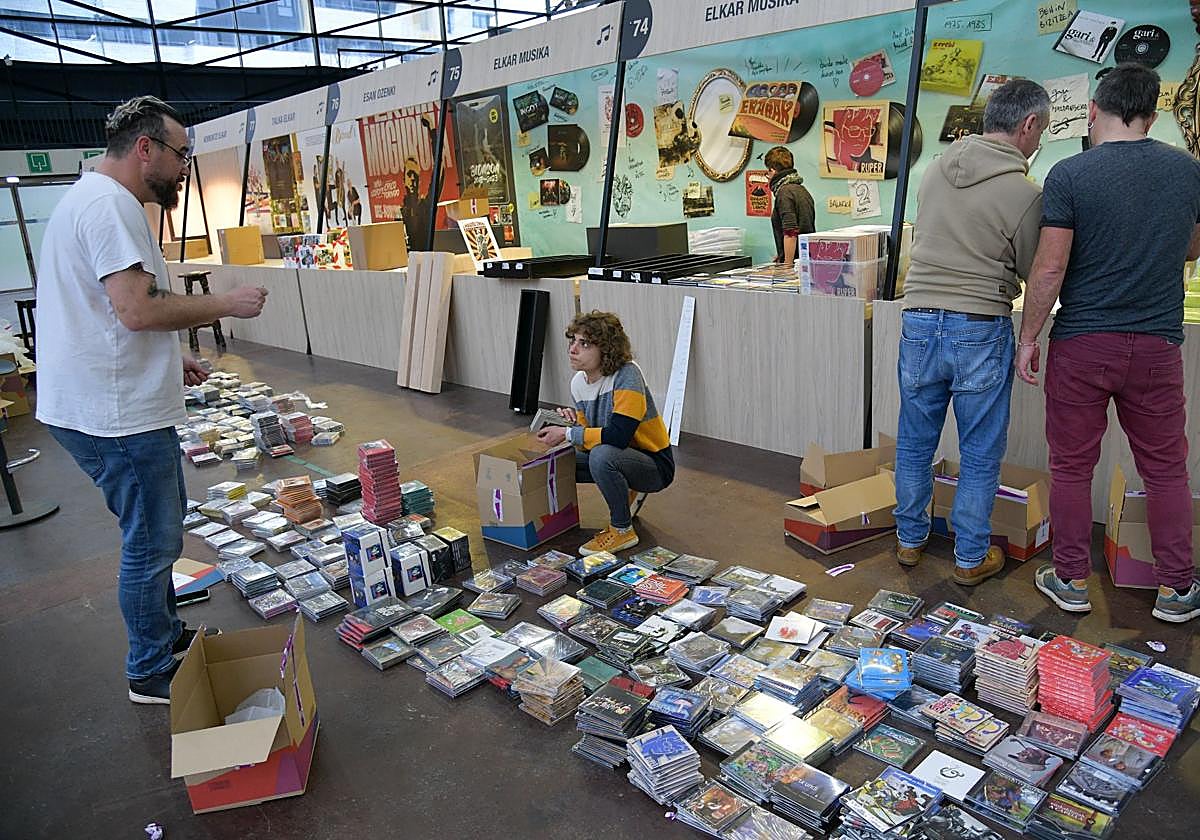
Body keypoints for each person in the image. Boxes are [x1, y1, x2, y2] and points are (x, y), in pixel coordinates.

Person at [36, 95, 269, 704]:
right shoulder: (112, 207)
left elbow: (107, 312)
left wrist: (174, 356)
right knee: (153, 540)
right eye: (181, 155)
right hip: (116, 416)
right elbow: (137, 309)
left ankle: (163, 638)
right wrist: (225, 304)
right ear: (147, 148)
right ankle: (149, 668)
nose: (183, 169)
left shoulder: (90, 198)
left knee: (149, 532)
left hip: (95, 403)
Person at [1016, 64, 1200, 622]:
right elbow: (1192, 249)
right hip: (1157, 344)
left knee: (1072, 467)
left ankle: (1070, 578)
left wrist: (1029, 337)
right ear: (1152, 112)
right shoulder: (1188, 172)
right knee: (1166, 468)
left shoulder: (1070, 175)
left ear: (1095, 109)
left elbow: (1049, 268)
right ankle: (1177, 588)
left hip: (1083, 344)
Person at [892, 80, 1050, 585]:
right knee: (980, 448)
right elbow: (1032, 268)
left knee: (916, 440)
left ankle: (909, 540)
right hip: (978, 324)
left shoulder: (935, 170)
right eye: (1041, 131)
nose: (1039, 140)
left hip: (918, 317)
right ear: (1027, 125)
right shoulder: (1024, 193)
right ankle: (968, 558)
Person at [535, 311, 674, 555]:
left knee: (602, 456)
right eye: (573, 341)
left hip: (654, 465)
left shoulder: (627, 374)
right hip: (619, 455)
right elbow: (586, 443)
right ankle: (551, 523)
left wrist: (569, 434)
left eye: (584, 343)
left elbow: (618, 436)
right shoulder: (578, 383)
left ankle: (622, 529)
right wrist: (573, 426)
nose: (573, 349)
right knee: (557, 461)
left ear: (606, 349)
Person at [763, 146, 815, 265]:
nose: (768, 178)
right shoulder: (802, 190)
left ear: (773, 171)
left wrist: (787, 264)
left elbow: (790, 232)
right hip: (806, 258)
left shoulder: (784, 193)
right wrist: (782, 254)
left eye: (767, 173)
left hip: (795, 263)